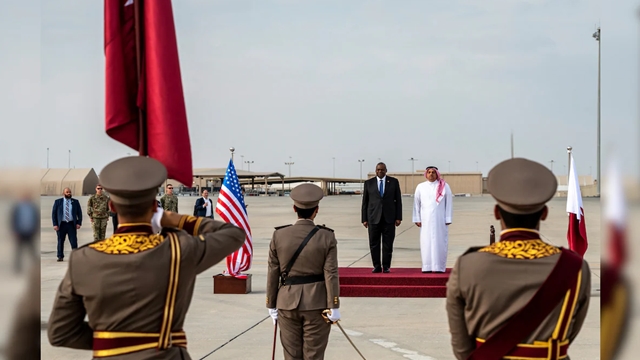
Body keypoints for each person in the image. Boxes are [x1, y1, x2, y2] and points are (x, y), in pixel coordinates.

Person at [47, 156, 246, 359]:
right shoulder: (179, 250)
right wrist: (176, 219)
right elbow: (234, 234)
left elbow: (60, 332)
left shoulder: (84, 259)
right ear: (154, 206)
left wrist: (114, 340)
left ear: (112, 207)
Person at [446, 158, 591, 360]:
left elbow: (461, 345)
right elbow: (570, 331)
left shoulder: (468, 265)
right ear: (545, 214)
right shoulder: (575, 267)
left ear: (497, 213)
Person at [266, 184, 340, 360]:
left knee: (291, 355)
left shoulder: (279, 235)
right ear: (316, 211)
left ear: (294, 208)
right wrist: (334, 304)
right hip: (317, 303)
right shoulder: (326, 236)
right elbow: (331, 273)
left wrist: (271, 303)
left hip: (286, 303)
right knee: (313, 355)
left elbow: (273, 272)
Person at [360, 162, 402, 273]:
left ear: (386, 170)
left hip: (389, 218)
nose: (380, 171)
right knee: (374, 243)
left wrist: (398, 217)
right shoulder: (369, 183)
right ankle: (377, 266)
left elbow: (398, 201)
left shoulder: (393, 182)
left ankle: (386, 266)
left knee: (388, 243)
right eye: (378, 170)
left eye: (382, 170)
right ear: (375, 170)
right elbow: (365, 202)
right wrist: (364, 219)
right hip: (373, 218)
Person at [412, 166, 453, 273]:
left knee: (440, 242)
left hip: (440, 220)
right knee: (426, 242)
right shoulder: (420, 187)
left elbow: (449, 203)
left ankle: (439, 267)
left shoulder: (444, 186)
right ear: (426, 174)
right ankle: (427, 266)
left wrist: (448, 218)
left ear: (437, 174)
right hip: (425, 220)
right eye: (429, 172)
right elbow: (416, 204)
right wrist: (417, 218)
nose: (431, 174)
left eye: (433, 172)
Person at [51, 187, 82, 262]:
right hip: (61, 224)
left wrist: (78, 223)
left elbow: (79, 213)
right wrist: (55, 224)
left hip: (71, 224)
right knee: (60, 241)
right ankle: (60, 256)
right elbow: (54, 214)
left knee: (73, 241)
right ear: (63, 193)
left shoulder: (75, 202)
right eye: (67, 192)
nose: (69, 193)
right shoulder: (58, 202)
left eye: (70, 192)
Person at [10, 193, 39, 273]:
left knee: (32, 251)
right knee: (19, 252)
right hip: (20, 233)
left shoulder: (33, 208)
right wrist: (14, 231)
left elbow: (36, 220)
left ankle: (36, 267)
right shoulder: (17, 208)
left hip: (30, 233)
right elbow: (13, 220)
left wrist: (35, 231)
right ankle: (17, 268)